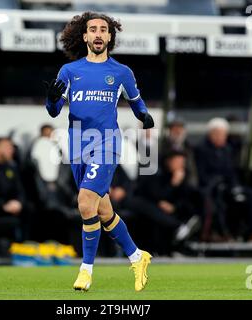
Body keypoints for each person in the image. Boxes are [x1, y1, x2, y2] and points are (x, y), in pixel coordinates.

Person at [44, 11, 154, 292]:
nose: (97, 34)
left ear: (109, 36)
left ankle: (86, 270)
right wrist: (51, 99)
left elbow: (137, 103)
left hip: (106, 143)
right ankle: (137, 256)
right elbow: (55, 111)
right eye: (92, 29)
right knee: (103, 211)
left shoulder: (121, 73)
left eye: (103, 30)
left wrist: (145, 118)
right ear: (84, 36)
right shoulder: (69, 72)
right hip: (78, 145)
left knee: (84, 202)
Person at [195, 118, 252, 242]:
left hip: (228, 186)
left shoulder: (227, 149)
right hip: (212, 187)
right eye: (218, 134)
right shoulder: (201, 149)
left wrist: (236, 186)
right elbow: (202, 175)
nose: (222, 137)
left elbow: (231, 172)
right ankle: (222, 233)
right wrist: (218, 182)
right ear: (211, 134)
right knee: (218, 200)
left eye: (224, 135)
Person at [0, 137, 33, 243]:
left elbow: (20, 190)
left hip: (12, 206)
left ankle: (23, 246)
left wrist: (19, 203)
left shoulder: (12, 167)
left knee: (29, 208)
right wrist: (3, 206)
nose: (12, 150)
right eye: (8, 147)